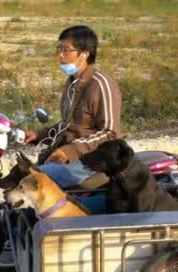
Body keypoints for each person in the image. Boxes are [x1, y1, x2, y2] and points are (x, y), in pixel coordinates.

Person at [24, 25, 122, 192]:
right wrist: (39, 135)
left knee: (32, 182)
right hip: (72, 159)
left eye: (66, 50)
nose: (60, 55)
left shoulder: (101, 85)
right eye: (59, 49)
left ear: (84, 53)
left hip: (91, 162)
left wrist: (70, 151)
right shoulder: (72, 83)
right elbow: (69, 125)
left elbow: (110, 133)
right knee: (21, 173)